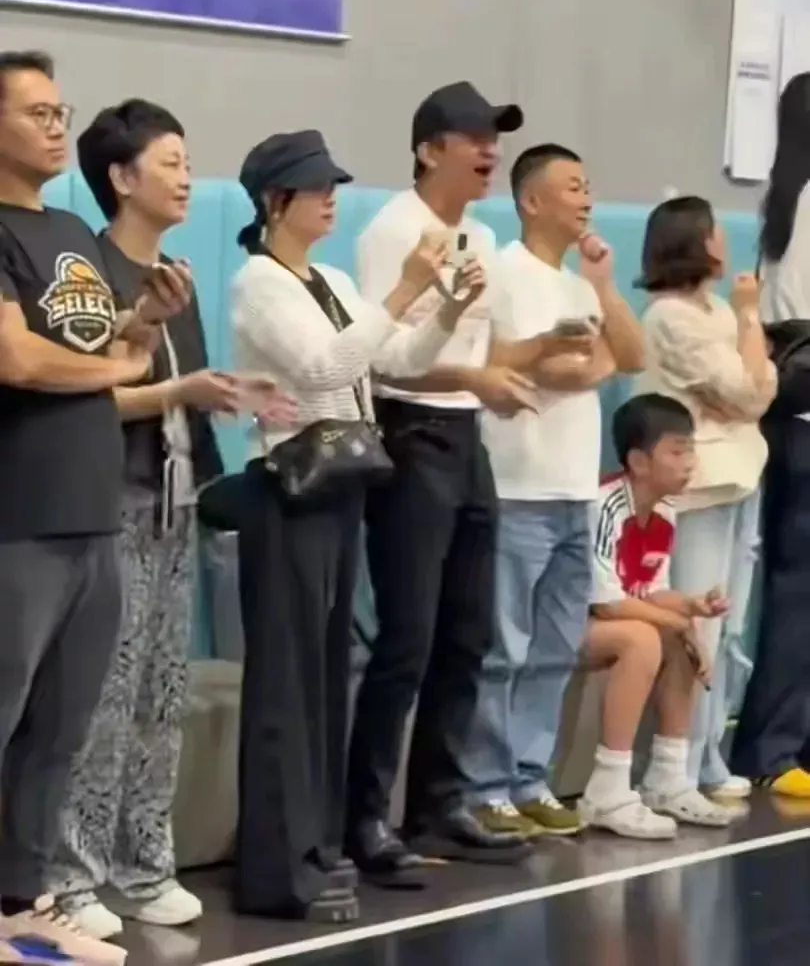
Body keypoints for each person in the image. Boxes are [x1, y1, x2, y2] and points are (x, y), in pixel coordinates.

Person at [45, 101, 294, 939]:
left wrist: (223, 398)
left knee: (162, 691)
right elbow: (89, 395)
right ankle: (72, 874)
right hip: (109, 500)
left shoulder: (176, 277)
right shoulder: (86, 272)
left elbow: (182, 391)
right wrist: (178, 391)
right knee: (101, 696)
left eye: (189, 163)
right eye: (170, 162)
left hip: (175, 501)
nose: (187, 178)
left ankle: (145, 863)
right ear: (121, 178)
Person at [230, 128, 485, 923]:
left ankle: (318, 846)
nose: (330, 199)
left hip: (341, 489)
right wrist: (405, 290)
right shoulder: (259, 282)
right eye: (315, 188)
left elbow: (395, 360)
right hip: (290, 491)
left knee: (326, 682)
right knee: (288, 685)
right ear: (275, 201)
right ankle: (278, 870)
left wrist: (448, 306)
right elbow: (325, 368)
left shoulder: (334, 279)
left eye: (332, 186)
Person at [347, 85, 594, 877]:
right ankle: (364, 818)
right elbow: (383, 357)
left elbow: (479, 353)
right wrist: (475, 378)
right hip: (412, 431)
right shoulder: (396, 229)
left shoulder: (480, 236)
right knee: (407, 639)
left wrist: (517, 366)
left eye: (494, 137)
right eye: (472, 137)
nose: (488, 150)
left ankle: (439, 807)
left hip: (466, 435)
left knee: (467, 634)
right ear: (428, 151)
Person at [0, 52, 188, 964]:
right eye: (35, 111)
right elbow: (19, 359)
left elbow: (99, 344)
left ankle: (18, 901)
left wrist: (144, 320)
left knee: (60, 730)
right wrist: (114, 365)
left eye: (59, 110)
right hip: (18, 516)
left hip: (91, 513)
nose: (54, 126)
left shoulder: (72, 228)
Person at [459, 143, 645, 838]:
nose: (586, 197)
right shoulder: (503, 272)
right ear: (531, 200)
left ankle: (528, 778)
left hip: (575, 490)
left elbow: (630, 355)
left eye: (588, 185)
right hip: (517, 486)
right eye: (572, 186)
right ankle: (484, 787)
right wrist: (566, 358)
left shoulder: (579, 284)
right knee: (502, 647)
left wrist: (604, 287)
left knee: (555, 649)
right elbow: (500, 362)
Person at [634, 196, 776, 801]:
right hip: (700, 487)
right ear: (693, 241)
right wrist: (750, 322)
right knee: (696, 627)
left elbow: (759, 388)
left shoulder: (717, 310)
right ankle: (675, 765)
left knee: (728, 626)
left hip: (742, 474)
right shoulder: (671, 316)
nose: (725, 240)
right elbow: (747, 390)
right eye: (715, 231)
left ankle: (707, 754)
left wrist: (746, 357)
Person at [580, 393, 734, 838]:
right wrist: (678, 622)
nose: (689, 463)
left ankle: (667, 779)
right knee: (644, 638)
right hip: (568, 625)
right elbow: (606, 601)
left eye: (691, 451)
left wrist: (692, 607)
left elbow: (651, 590)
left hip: (608, 620)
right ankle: (607, 789)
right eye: (677, 452)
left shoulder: (664, 509)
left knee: (676, 635)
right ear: (638, 461)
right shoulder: (605, 505)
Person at [731, 71, 810, 797]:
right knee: (796, 591)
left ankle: (781, 740)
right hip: (804, 422)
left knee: (794, 588)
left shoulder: (785, 203)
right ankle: (775, 747)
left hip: (789, 419)